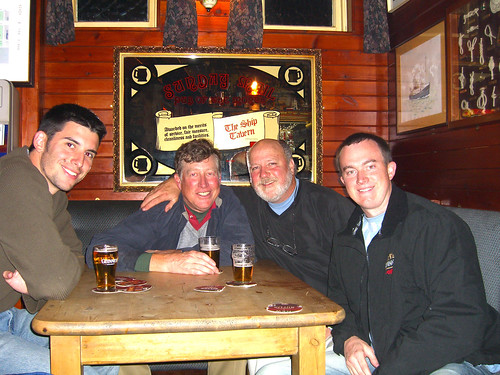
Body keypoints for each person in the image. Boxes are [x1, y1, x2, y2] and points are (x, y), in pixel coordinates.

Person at [141, 138, 354, 375]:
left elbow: (361, 274)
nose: (264, 174)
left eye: (272, 164)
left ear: (292, 166)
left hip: (326, 325)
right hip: (272, 317)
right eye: (255, 168)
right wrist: (176, 182)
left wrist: (340, 325)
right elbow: (205, 188)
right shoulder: (246, 202)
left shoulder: (330, 207)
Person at [323, 132, 500, 375]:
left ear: (390, 169)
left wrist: (391, 369)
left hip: (455, 358)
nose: (361, 178)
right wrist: (349, 340)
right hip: (376, 357)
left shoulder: (436, 226)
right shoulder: (345, 239)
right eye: (351, 171)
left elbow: (459, 320)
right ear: (343, 180)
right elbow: (339, 304)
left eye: (370, 166)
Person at [0, 104, 120, 375]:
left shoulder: (53, 195)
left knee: (109, 357)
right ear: (41, 140)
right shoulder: (15, 179)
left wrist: (39, 280)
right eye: (70, 145)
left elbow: (76, 261)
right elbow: (55, 281)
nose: (79, 162)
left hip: (7, 317)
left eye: (88, 153)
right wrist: (42, 280)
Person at [86, 138, 253, 274]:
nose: (204, 184)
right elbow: (97, 250)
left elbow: (243, 249)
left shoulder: (227, 201)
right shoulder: (163, 209)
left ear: (219, 178)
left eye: (209, 174)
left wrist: (175, 255)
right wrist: (161, 262)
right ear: (178, 181)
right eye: (193, 174)